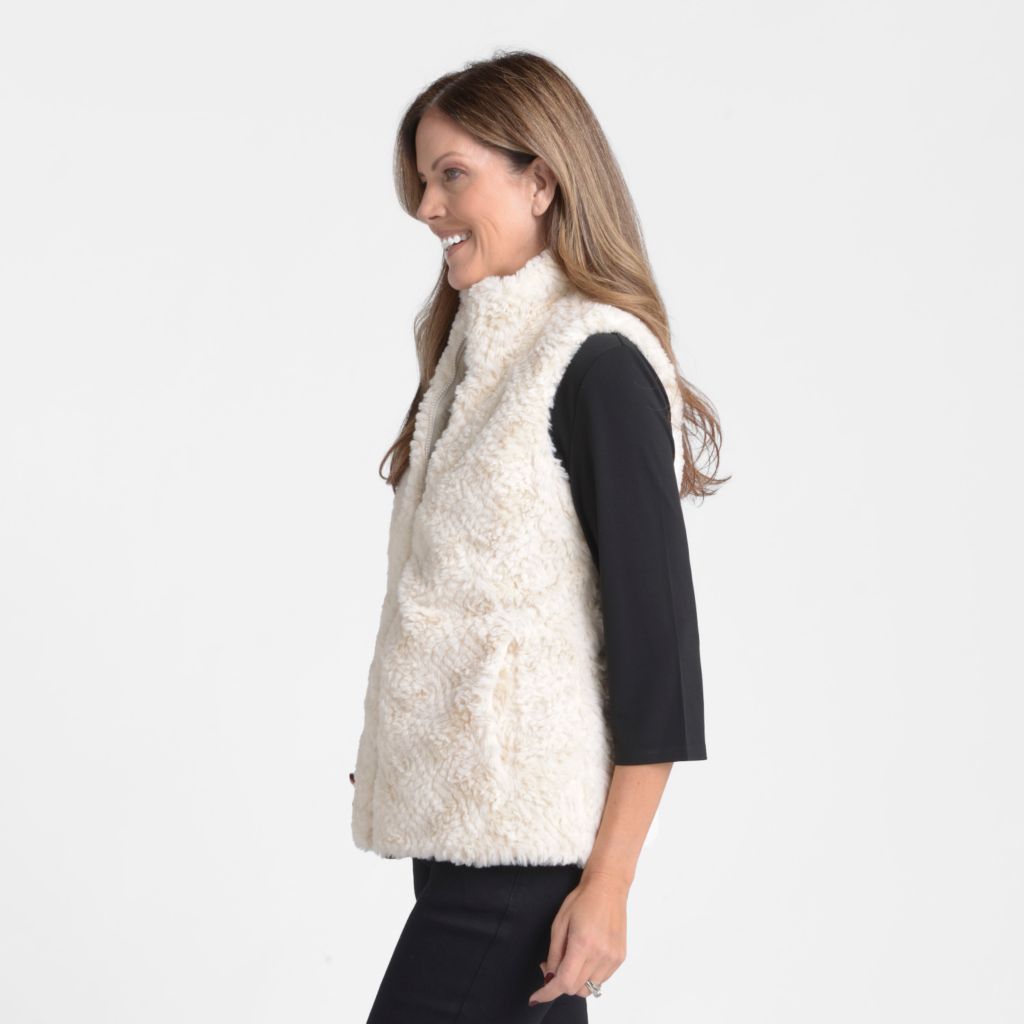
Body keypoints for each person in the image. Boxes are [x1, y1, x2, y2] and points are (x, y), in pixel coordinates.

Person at [350, 50, 727, 1022]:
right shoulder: (475, 360)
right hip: (468, 842)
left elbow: (657, 653)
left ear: (542, 181)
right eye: (421, 180)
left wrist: (610, 885)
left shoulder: (593, 361)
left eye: (452, 175)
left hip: (521, 864)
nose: (426, 207)